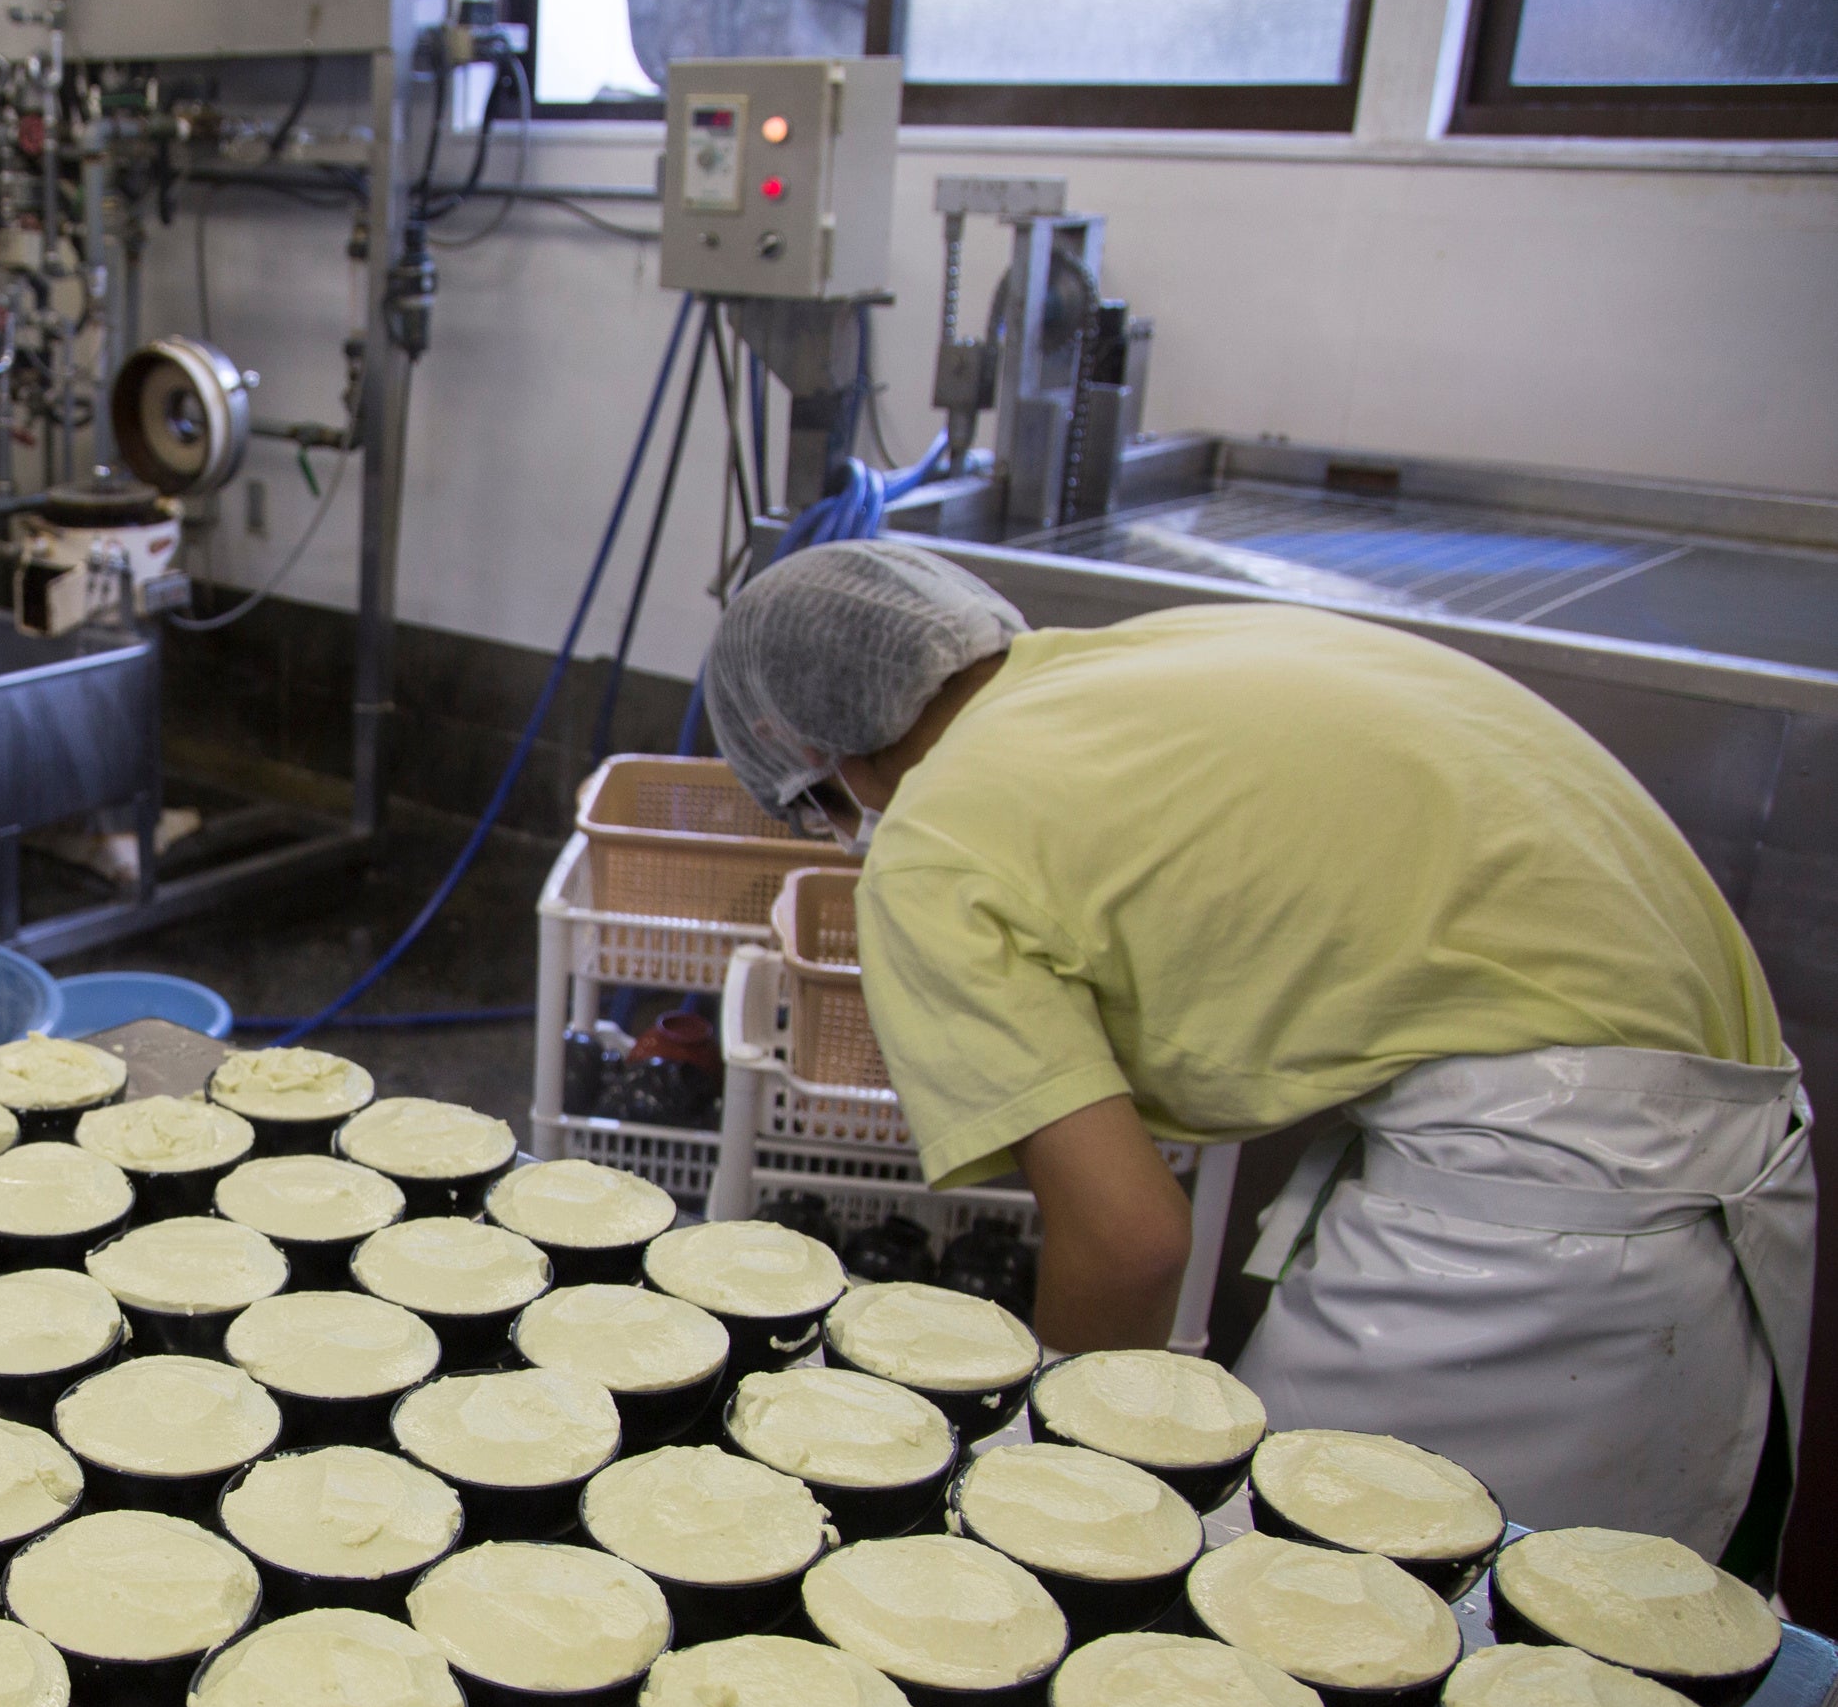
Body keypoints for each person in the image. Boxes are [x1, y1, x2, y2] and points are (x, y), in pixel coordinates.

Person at [705, 542, 1813, 1563]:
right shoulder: (1179, 648)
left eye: (819, 812)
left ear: (817, 755)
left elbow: (1129, 1240)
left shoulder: (936, 841)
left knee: (1338, 1620)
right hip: (1720, 1133)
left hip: (1544, 1212)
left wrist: (1058, 1485)